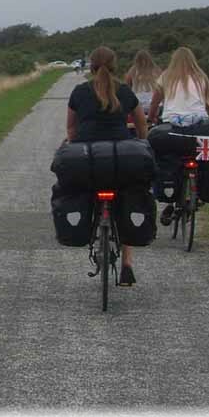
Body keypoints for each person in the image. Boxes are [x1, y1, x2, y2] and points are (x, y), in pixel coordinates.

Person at [66, 45, 148, 286]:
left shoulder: (80, 91)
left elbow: (71, 127)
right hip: (121, 154)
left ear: (90, 65)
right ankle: (127, 265)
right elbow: (142, 125)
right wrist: (142, 145)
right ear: (115, 65)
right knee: (126, 198)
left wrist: (74, 146)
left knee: (84, 189)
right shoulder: (124, 91)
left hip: (88, 156)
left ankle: (91, 222)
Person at [148, 46, 209, 225]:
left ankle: (169, 195)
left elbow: (155, 103)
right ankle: (198, 191)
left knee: (166, 157)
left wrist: (152, 119)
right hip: (199, 127)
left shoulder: (166, 77)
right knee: (201, 157)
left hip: (171, 128)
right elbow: (207, 106)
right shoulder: (202, 77)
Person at [123, 49, 161, 133]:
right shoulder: (157, 70)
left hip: (138, 107)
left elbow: (126, 89)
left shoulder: (132, 71)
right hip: (154, 107)